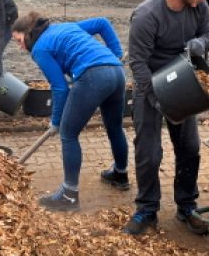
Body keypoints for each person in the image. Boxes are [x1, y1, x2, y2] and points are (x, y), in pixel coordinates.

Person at [123, 0, 209, 236]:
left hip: (183, 82)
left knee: (189, 148)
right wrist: (156, 99)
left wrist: (199, 43)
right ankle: (147, 209)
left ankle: (187, 206)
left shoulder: (198, 7)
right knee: (149, 152)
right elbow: (137, 63)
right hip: (149, 85)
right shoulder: (146, 15)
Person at [12, 12, 129, 211]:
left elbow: (60, 88)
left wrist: (56, 121)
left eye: (19, 40)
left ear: (29, 33)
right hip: (117, 73)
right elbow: (102, 23)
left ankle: (69, 195)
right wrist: (116, 54)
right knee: (115, 127)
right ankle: (120, 174)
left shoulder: (39, 49)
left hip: (93, 77)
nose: (20, 46)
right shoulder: (65, 27)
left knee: (68, 134)